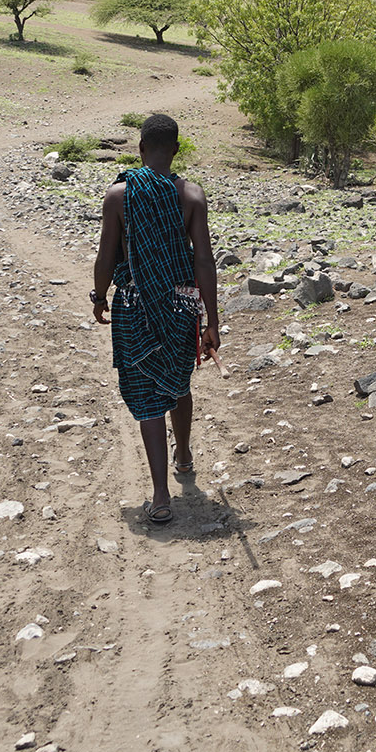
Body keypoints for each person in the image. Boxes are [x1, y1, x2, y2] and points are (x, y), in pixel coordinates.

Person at [91, 113, 221, 523]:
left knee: (148, 396)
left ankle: (161, 497)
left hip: (134, 307)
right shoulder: (193, 196)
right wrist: (210, 320)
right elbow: (203, 261)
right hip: (181, 307)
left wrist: (99, 296)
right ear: (177, 150)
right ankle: (183, 455)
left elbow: (106, 256)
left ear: (141, 148)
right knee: (178, 380)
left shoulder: (119, 196)